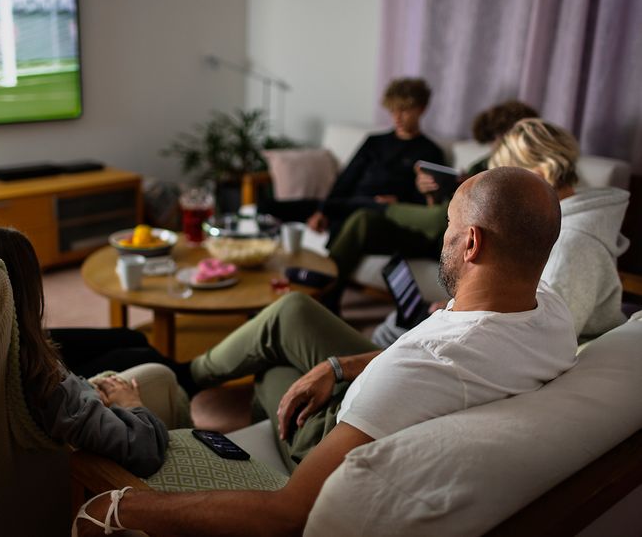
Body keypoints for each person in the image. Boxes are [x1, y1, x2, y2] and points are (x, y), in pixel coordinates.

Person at [73, 167, 578, 537]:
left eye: (447, 225)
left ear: (470, 243)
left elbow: (288, 515)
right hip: (412, 397)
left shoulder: (422, 363)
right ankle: (189, 376)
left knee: (271, 372)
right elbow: (437, 351)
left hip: (360, 443)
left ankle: (194, 390)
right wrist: (336, 366)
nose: (441, 238)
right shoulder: (552, 310)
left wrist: (130, 507)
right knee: (292, 311)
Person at [0, 226, 185, 477]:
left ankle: (195, 371)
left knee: (129, 337)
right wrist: (131, 404)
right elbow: (143, 450)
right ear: (27, 292)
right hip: (63, 491)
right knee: (157, 371)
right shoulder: (43, 383)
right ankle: (197, 374)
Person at [328, 99, 539, 315]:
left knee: (370, 212)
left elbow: (441, 218)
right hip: (437, 232)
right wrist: (430, 193)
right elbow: (440, 209)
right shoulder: (483, 163)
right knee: (363, 220)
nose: (497, 143)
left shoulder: (523, 176)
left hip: (454, 241)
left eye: (504, 136)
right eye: (495, 136)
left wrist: (386, 207)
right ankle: (326, 294)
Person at [489, 118, 629, 340]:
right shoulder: (553, 219)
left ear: (540, 176)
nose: (503, 194)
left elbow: (550, 339)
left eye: (508, 183)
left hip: (580, 355)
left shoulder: (572, 242)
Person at [259, 77, 446, 242]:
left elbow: (428, 205)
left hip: (377, 211)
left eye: (404, 110)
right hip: (345, 204)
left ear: (421, 109)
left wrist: (399, 201)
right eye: (393, 110)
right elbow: (345, 180)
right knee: (266, 207)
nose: (397, 117)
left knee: (356, 216)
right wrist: (323, 210)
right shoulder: (374, 142)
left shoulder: (430, 152)